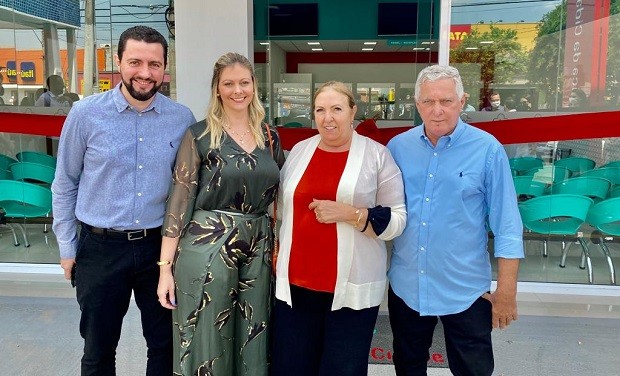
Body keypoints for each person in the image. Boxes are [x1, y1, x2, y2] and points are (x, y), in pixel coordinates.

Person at [51, 26, 196, 375]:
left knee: (164, 347)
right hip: (99, 250)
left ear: (164, 68)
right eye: (135, 62)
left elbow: (189, 190)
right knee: (98, 350)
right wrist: (68, 248)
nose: (145, 73)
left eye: (154, 64)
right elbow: (64, 183)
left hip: (159, 252)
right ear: (118, 61)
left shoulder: (182, 119)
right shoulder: (86, 114)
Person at [387, 65, 524, 376]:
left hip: (466, 291)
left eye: (446, 101)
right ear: (417, 103)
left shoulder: (487, 149)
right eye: (428, 102)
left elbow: (507, 225)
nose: (437, 111)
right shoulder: (397, 148)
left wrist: (506, 292)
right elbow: (385, 212)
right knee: (408, 367)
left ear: (462, 102)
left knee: (473, 370)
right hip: (408, 286)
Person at [156, 52, 285, 376]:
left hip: (258, 247)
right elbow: (179, 202)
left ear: (254, 86)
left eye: (244, 82)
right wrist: (164, 269)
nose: (237, 90)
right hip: (208, 246)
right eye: (228, 83)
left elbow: (280, 197)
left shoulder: (269, 136)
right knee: (206, 339)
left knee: (253, 338)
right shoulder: (199, 135)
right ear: (217, 89)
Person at [271, 81, 406, 376]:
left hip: (350, 292)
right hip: (295, 287)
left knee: (342, 369)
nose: (327, 118)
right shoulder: (300, 151)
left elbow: (397, 221)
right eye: (320, 110)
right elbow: (280, 207)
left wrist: (352, 214)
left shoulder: (377, 156)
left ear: (352, 112)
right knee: (290, 366)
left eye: (336, 109)